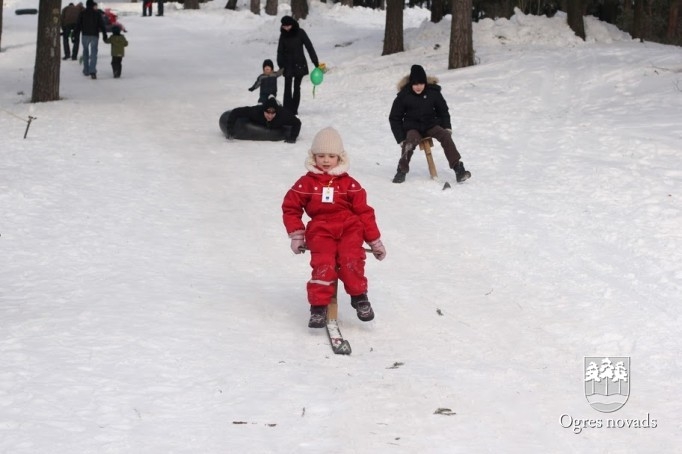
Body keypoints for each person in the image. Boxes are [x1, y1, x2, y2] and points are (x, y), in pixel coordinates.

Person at [282, 127, 387, 328]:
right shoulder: (305, 183)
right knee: (324, 263)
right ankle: (319, 307)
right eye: (321, 155)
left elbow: (365, 213)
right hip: (320, 228)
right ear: (313, 156)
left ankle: (359, 297)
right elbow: (291, 207)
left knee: (351, 259)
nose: (326, 160)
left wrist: (375, 241)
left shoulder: (350, 184)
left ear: (340, 157)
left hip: (349, 227)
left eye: (331, 156)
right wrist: (297, 234)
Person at [388, 64, 471, 184]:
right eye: (415, 84)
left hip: (430, 124)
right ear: (411, 84)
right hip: (412, 127)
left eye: (421, 83)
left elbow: (443, 111)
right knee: (409, 143)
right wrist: (400, 138)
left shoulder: (433, 92)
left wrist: (447, 127)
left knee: (445, 136)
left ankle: (458, 169)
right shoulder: (403, 96)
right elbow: (394, 118)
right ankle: (401, 170)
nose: (418, 87)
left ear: (425, 83)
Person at [277, 15, 320, 115]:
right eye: (284, 27)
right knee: (287, 87)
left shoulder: (300, 32)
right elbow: (280, 52)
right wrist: (281, 65)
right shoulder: (283, 35)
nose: (286, 29)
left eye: (288, 26)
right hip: (287, 65)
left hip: (299, 63)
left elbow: (309, 47)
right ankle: (287, 110)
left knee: (297, 87)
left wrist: (315, 62)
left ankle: (294, 110)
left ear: (292, 24)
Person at [225, 98, 301, 143]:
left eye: (272, 114)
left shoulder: (283, 115)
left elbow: (297, 123)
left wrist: (293, 137)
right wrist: (230, 129)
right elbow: (236, 111)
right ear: (263, 111)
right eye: (267, 113)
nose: (270, 116)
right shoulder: (255, 111)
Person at [75, 0, 108, 79]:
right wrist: (104, 34)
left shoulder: (82, 13)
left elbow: (78, 25)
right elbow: (102, 25)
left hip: (85, 35)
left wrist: (75, 34)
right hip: (94, 35)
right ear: (92, 5)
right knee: (93, 53)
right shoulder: (97, 13)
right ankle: (92, 71)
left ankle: (86, 70)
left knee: (85, 52)